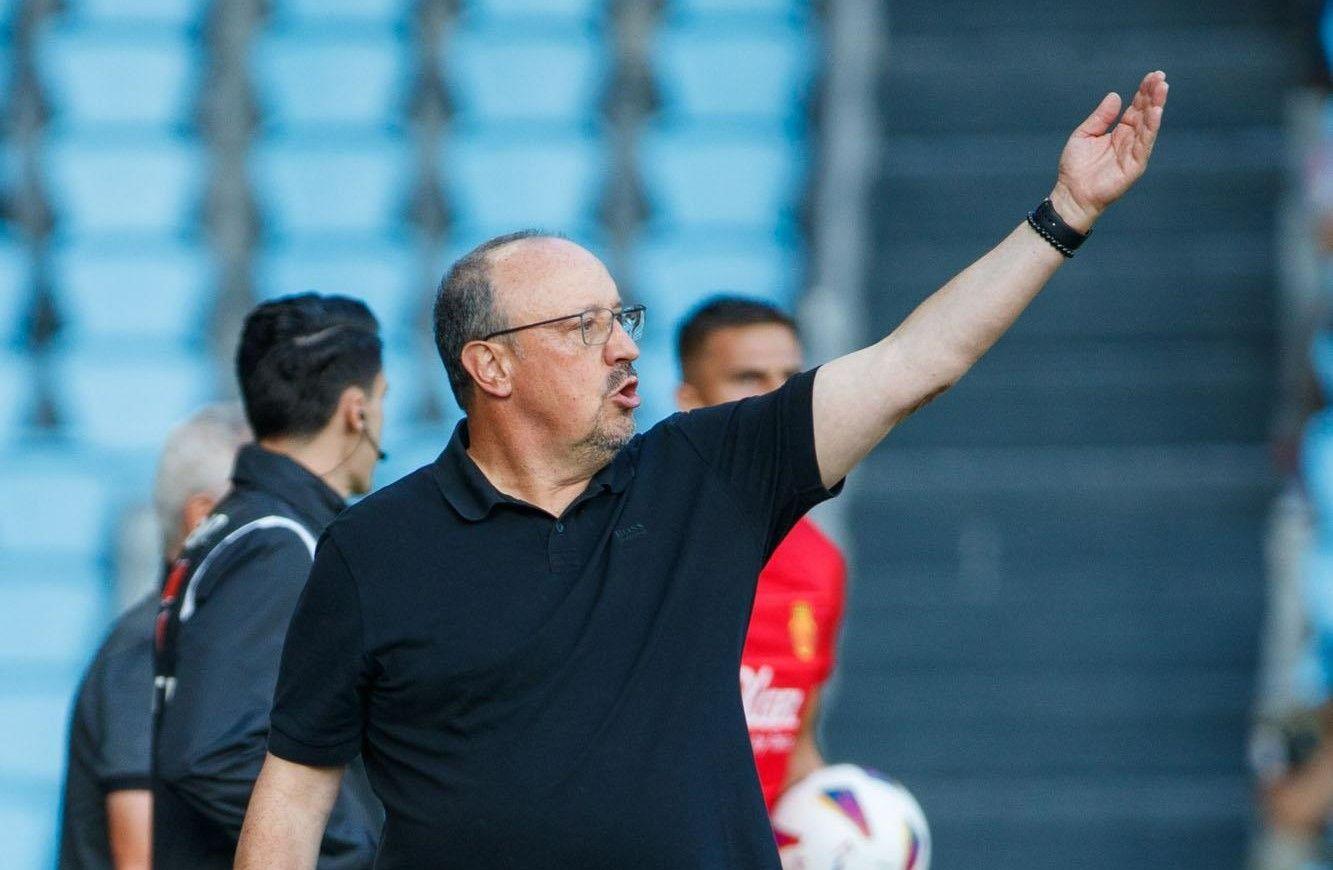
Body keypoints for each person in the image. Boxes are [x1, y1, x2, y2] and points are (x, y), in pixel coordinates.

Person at [237, 71, 1169, 868]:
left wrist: (1064, 215)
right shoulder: (370, 549)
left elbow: (914, 364)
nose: (622, 347)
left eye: (622, 319)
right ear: (491, 366)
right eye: (582, 327)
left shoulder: (706, 472)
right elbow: (294, 789)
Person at [152, 294, 388, 869]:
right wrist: (358, 847)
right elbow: (214, 752)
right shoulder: (279, 543)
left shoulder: (239, 525)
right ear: (355, 411)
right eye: (383, 399)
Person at [57, 403, 251, 870]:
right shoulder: (150, 651)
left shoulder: (197, 644)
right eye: (264, 507)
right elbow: (142, 858)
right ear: (203, 517)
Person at [675, 296, 846, 809]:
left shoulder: (820, 562)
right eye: (748, 378)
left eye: (791, 379)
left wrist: (853, 825)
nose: (779, 399)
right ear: (689, 401)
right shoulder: (634, 542)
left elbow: (795, 750)